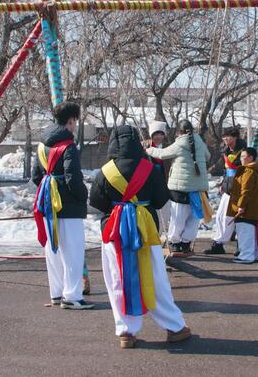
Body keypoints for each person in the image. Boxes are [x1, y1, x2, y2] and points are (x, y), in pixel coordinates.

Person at [89, 126, 192, 349]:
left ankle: (126, 331)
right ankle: (174, 327)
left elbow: (96, 202)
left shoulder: (105, 171)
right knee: (155, 279)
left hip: (114, 231)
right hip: (145, 230)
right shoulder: (149, 169)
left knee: (118, 280)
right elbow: (160, 200)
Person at [32, 101, 93, 310]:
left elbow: (35, 176)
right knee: (73, 253)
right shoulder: (68, 146)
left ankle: (56, 294)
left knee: (53, 250)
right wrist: (82, 195)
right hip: (69, 206)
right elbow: (73, 178)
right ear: (71, 120)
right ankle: (73, 296)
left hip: (47, 204)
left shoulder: (42, 144)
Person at [146, 120, 210, 257]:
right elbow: (208, 156)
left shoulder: (180, 143)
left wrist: (148, 149)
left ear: (179, 132)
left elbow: (162, 154)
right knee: (194, 217)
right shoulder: (199, 141)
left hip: (181, 188)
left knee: (178, 217)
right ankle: (186, 243)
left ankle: (175, 243)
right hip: (199, 187)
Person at [204, 126, 247, 254]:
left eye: (228, 136)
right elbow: (226, 170)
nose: (225, 139)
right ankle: (219, 243)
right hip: (228, 186)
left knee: (236, 218)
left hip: (238, 187)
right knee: (221, 216)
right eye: (224, 137)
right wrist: (223, 183)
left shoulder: (243, 151)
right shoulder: (226, 151)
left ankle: (242, 246)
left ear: (235, 137)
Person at [227, 147, 258, 264]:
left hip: (246, 210)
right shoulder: (252, 171)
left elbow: (245, 191)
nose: (241, 159)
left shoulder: (248, 171)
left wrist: (241, 206)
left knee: (245, 233)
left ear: (250, 158)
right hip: (251, 209)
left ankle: (246, 256)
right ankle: (251, 254)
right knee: (248, 233)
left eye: (243, 157)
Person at [147, 120, 172, 238]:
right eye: (155, 134)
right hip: (149, 186)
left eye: (161, 134)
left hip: (165, 185)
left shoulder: (168, 148)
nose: (158, 137)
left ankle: (160, 235)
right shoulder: (145, 147)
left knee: (165, 213)